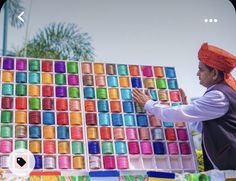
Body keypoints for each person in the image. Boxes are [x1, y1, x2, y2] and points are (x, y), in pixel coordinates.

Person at [132, 42, 236, 171]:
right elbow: (203, 127)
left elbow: (176, 113)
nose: (197, 74)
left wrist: (148, 103)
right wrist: (187, 105)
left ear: (214, 73)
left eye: (201, 69)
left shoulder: (218, 96)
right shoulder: (220, 93)